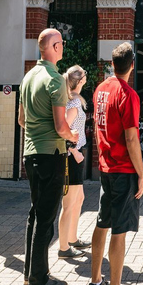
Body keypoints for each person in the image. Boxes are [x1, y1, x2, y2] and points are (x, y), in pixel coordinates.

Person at [18, 28, 79, 285]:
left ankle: (30, 272)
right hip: (50, 155)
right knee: (45, 218)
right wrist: (72, 134)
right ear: (54, 47)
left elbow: (22, 120)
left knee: (35, 213)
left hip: (30, 153)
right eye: (61, 43)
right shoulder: (55, 80)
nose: (63, 46)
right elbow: (60, 125)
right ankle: (39, 281)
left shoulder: (28, 77)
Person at [88, 42, 143, 285]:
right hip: (122, 169)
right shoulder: (129, 94)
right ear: (131, 65)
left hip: (105, 166)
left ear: (113, 64)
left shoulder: (100, 89)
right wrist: (142, 174)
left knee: (102, 222)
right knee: (119, 231)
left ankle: (95, 282)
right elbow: (132, 139)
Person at [57, 65, 92, 259]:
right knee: (69, 203)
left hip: (76, 154)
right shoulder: (73, 104)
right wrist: (73, 150)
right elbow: (62, 131)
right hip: (72, 156)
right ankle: (63, 247)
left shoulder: (74, 101)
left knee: (78, 200)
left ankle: (72, 239)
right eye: (84, 75)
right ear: (79, 81)